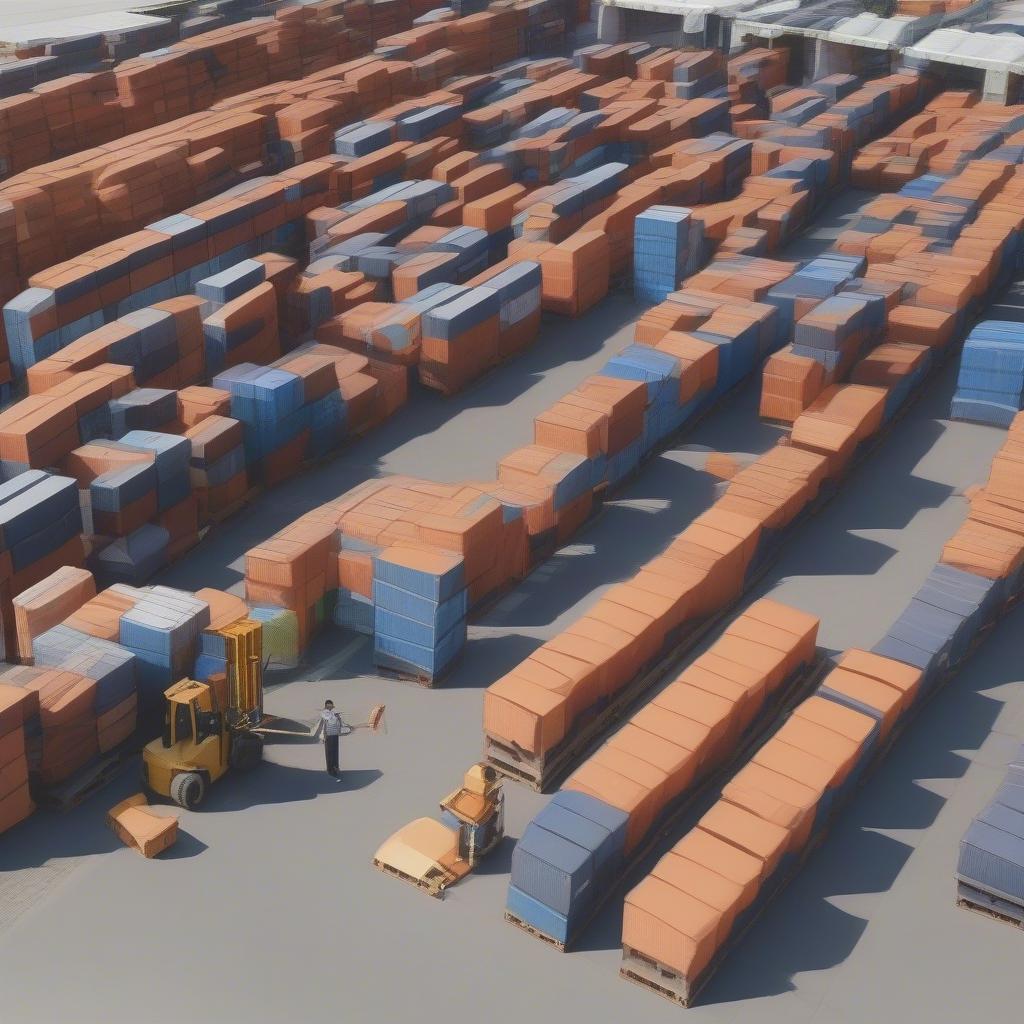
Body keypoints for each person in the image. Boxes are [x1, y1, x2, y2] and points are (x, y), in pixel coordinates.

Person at [313, 700, 347, 779]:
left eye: (331, 706)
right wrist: (335, 716)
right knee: (330, 753)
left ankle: (336, 767)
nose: (330, 707)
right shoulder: (324, 713)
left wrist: (338, 718)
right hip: (328, 735)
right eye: (329, 706)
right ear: (326, 706)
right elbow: (327, 719)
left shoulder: (334, 713)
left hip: (335, 735)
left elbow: (339, 723)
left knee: (335, 751)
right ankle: (330, 769)